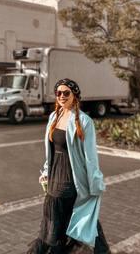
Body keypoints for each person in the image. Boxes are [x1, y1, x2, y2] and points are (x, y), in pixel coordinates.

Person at [26, 78, 111, 254]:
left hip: (71, 180)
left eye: (66, 93)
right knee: (70, 220)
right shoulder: (53, 117)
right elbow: (52, 150)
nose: (62, 96)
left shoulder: (84, 121)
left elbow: (90, 157)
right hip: (54, 179)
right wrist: (46, 171)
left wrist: (95, 183)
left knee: (67, 222)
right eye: (58, 93)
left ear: (75, 96)